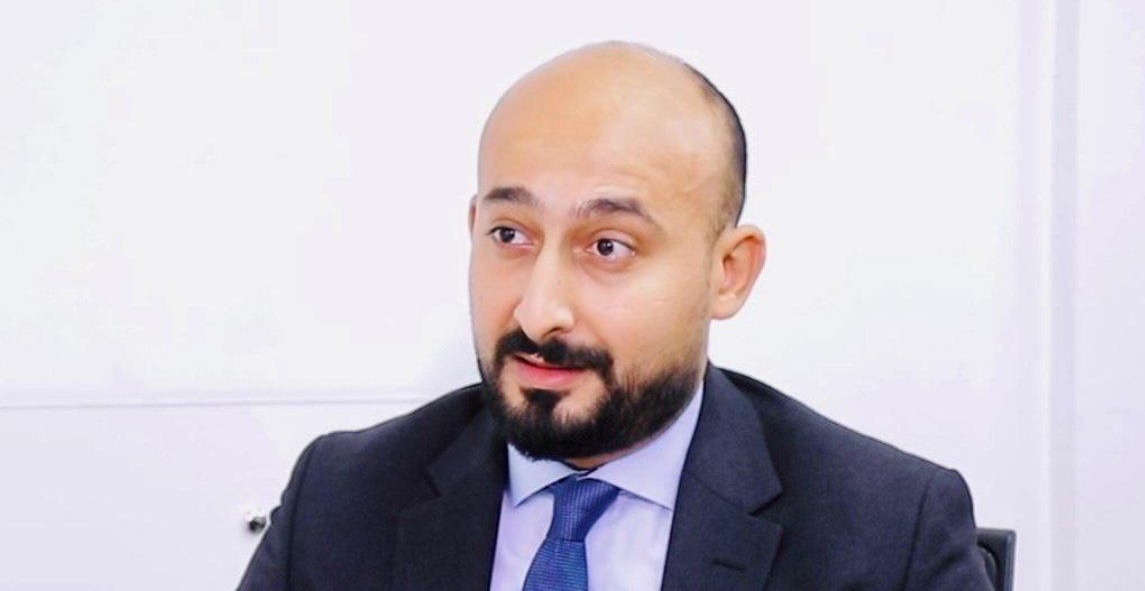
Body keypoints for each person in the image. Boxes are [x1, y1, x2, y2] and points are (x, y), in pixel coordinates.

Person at [238, 41, 992, 590]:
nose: (539, 311)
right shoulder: (343, 497)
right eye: (509, 235)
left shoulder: (887, 533)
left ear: (728, 273)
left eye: (608, 246)